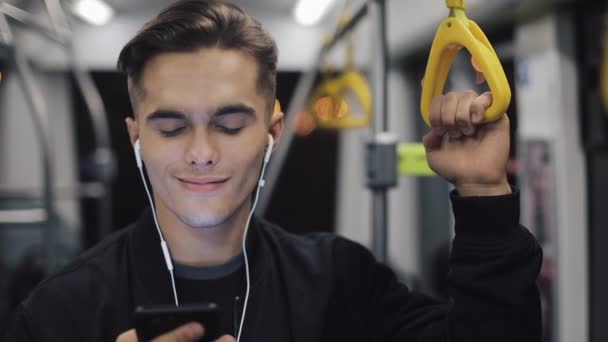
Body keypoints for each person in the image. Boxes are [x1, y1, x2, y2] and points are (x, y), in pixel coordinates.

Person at [2, 0, 542, 341]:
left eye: (230, 125)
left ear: (273, 131)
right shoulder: (61, 312)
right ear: (136, 137)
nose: (201, 152)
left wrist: (483, 193)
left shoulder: (340, 283)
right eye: (170, 129)